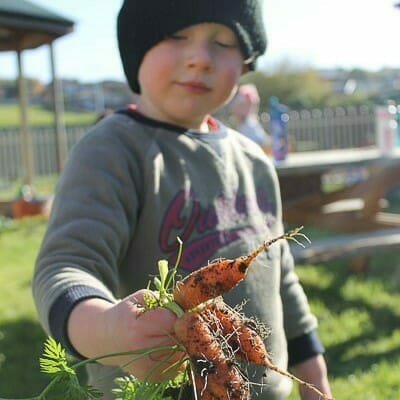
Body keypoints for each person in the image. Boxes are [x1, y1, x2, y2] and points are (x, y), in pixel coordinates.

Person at [32, 1, 333, 399]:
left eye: (224, 42)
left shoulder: (253, 161)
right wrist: (106, 330)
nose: (200, 59)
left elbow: (282, 280)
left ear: (245, 63)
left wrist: (316, 382)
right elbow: (65, 267)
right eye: (177, 36)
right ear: (137, 49)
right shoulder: (113, 151)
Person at [229, 83, 271, 150]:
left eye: (241, 106)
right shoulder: (243, 124)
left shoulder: (250, 125)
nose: (235, 109)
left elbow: (261, 142)